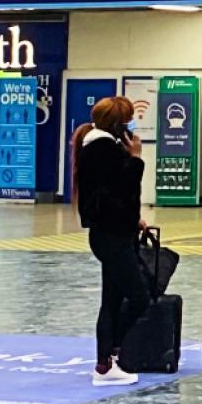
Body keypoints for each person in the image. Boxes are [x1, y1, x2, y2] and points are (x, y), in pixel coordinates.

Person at [74, 96, 148, 388]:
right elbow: (119, 191)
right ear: (119, 124)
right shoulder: (103, 148)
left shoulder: (99, 146)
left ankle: (107, 362)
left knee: (113, 300)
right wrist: (136, 159)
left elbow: (113, 194)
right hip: (112, 236)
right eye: (129, 120)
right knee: (139, 297)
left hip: (114, 233)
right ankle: (109, 358)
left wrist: (135, 220)